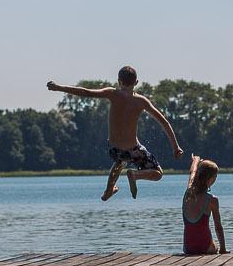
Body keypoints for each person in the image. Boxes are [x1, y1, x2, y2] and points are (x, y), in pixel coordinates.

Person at [46, 66, 183, 201]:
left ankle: (108, 191)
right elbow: (164, 122)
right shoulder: (141, 101)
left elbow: (86, 92)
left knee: (120, 161)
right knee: (158, 173)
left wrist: (59, 87)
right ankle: (135, 175)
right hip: (133, 149)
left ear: (119, 81)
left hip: (114, 149)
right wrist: (175, 147)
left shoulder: (112, 93)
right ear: (136, 82)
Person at [182, 155, 226, 255]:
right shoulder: (212, 200)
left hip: (188, 248)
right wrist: (223, 249)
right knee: (215, 245)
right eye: (215, 177)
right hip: (206, 247)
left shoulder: (188, 193)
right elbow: (218, 227)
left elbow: (192, 172)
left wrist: (195, 160)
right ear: (210, 179)